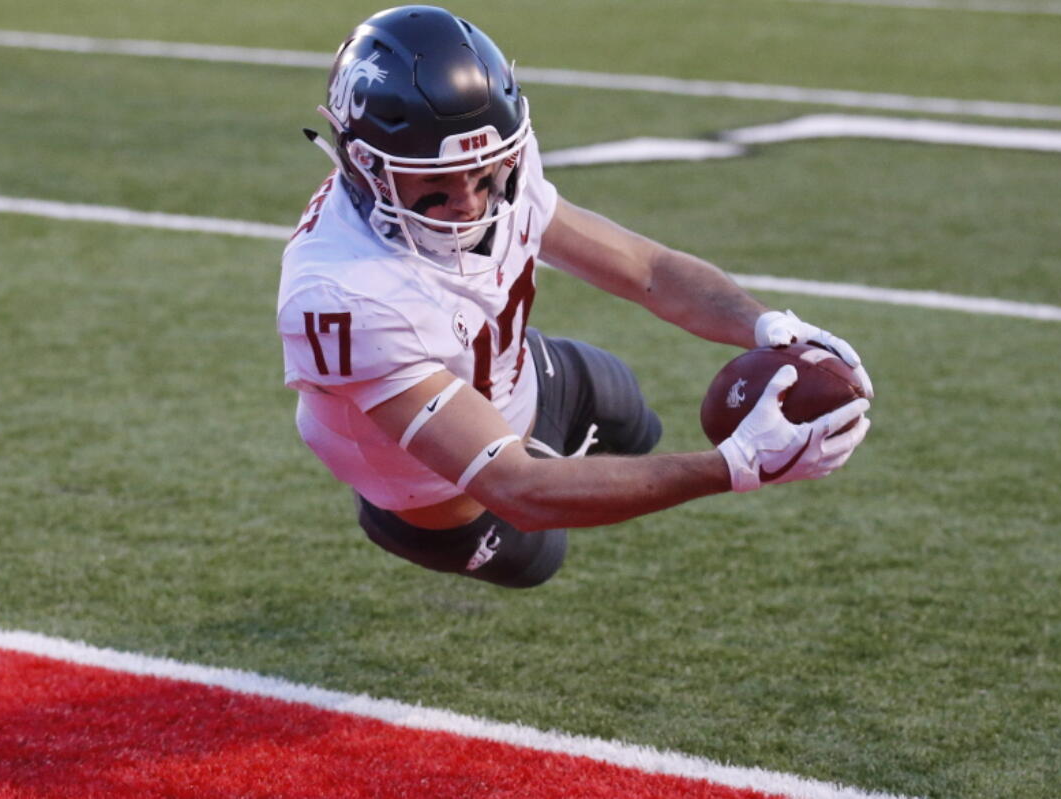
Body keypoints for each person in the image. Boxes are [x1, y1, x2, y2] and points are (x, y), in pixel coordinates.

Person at [277, 5, 873, 589]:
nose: (469, 201)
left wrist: (764, 323)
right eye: (435, 179)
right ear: (365, 167)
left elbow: (647, 269)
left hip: (518, 374)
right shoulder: (344, 295)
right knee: (539, 557)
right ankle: (390, 521)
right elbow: (518, 489)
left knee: (632, 417)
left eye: (483, 171)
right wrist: (735, 468)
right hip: (441, 489)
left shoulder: (489, 160)